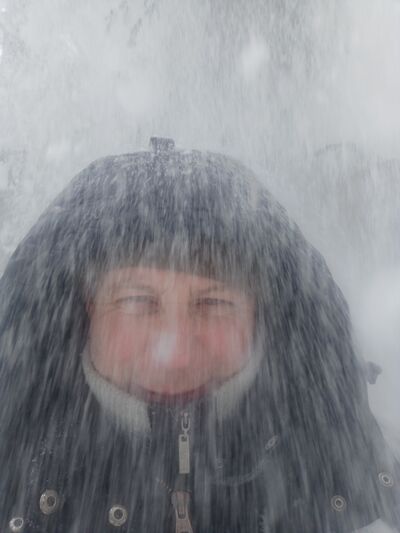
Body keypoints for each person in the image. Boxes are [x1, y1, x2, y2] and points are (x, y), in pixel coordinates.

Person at [0, 137, 399, 533]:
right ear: (87, 307)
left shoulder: (362, 490)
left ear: (261, 314)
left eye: (214, 303)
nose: (175, 353)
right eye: (137, 301)